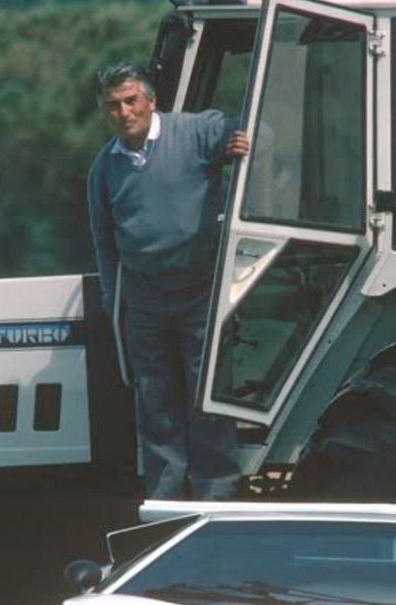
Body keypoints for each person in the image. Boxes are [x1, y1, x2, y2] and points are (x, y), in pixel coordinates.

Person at [86, 62, 248, 500]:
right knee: (155, 405)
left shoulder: (195, 133)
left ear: (151, 101)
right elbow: (105, 242)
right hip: (144, 299)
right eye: (113, 106)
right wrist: (110, 297)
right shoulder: (104, 169)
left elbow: (261, 131)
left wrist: (246, 144)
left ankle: (217, 498)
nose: (123, 112)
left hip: (202, 292)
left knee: (206, 400)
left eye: (130, 101)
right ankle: (165, 503)